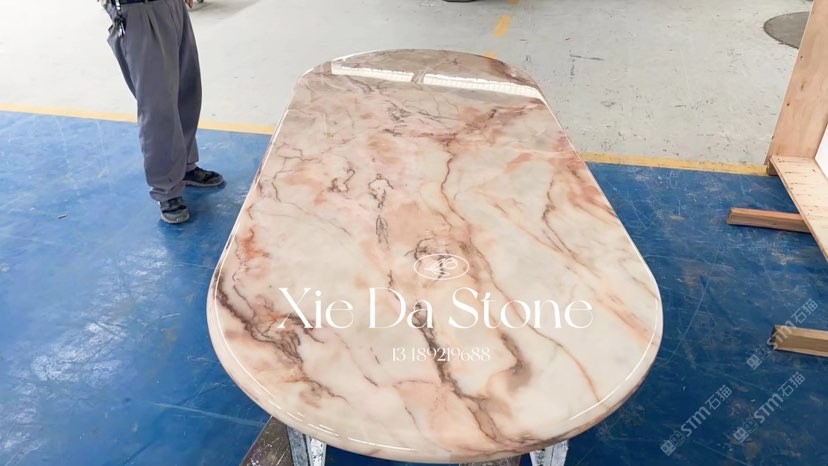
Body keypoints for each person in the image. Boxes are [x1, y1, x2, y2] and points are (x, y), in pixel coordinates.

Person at [102, 0, 224, 224]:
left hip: (171, 5)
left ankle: (185, 167)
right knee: (158, 105)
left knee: (187, 91)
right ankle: (167, 189)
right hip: (138, 9)